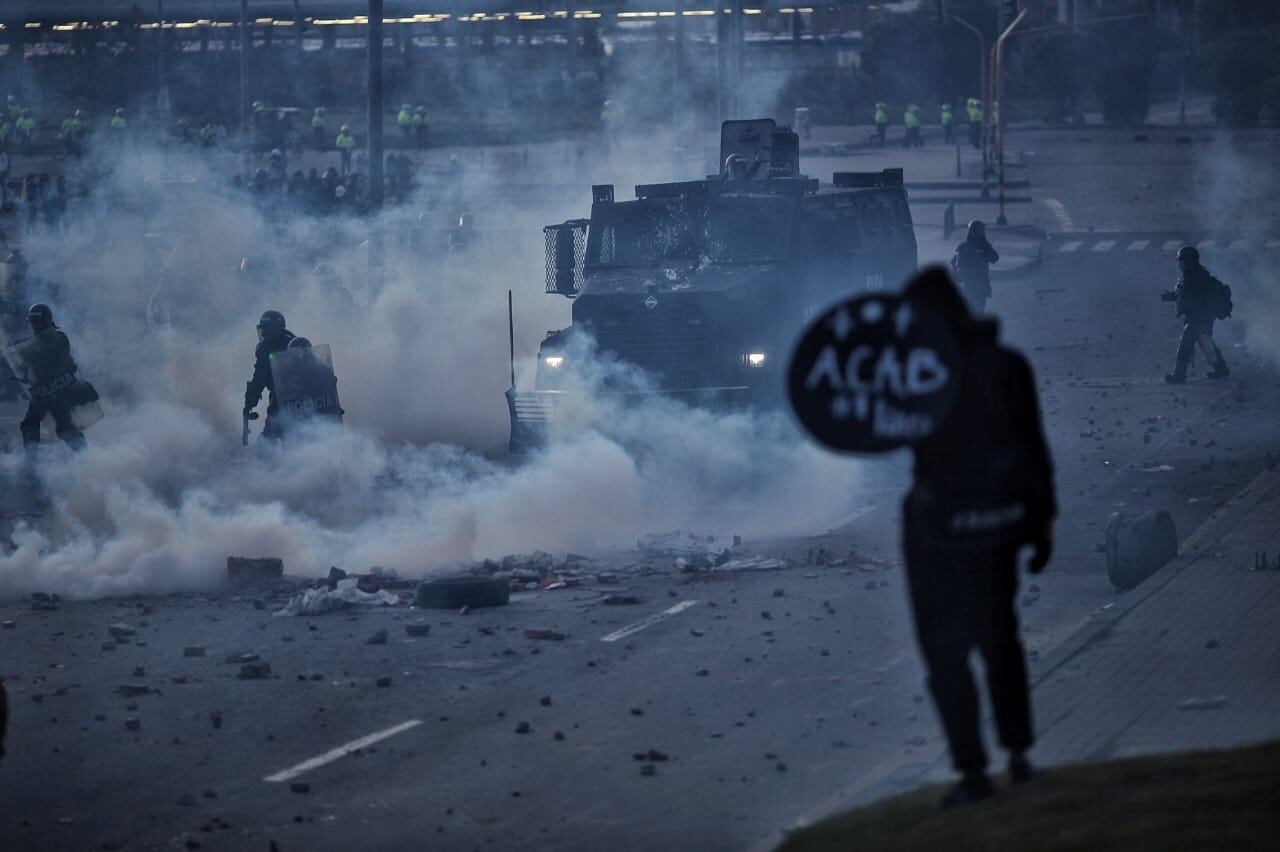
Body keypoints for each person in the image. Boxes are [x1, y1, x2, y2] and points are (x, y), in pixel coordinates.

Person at [900, 267, 1056, 808]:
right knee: (1000, 644)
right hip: (998, 525)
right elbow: (1034, 449)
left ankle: (972, 772)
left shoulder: (921, 373)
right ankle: (1019, 756)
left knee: (947, 657)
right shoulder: (1007, 365)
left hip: (938, 532)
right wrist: (1041, 522)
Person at [12, 304, 88, 460]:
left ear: (46, 321)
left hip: (56, 390)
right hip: (44, 391)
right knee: (54, 426)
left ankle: (85, 457)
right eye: (33, 322)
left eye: (37, 322)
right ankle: (85, 456)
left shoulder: (55, 339)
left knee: (56, 427)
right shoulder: (43, 340)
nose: (34, 325)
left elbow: (67, 365)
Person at [1162, 245, 1230, 383]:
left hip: (1200, 317)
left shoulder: (1195, 277)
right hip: (1201, 317)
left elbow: (1190, 296)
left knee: (1186, 344)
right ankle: (1220, 368)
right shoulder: (1195, 275)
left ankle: (1179, 375)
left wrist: (1175, 298)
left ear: (1187, 261)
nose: (1179, 264)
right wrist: (1171, 296)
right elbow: (1184, 295)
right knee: (1206, 343)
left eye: (1181, 261)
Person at [243, 309, 296, 441]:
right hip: (285, 395)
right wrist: (250, 401)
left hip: (284, 398)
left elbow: (259, 379)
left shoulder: (292, 344)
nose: (264, 333)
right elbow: (259, 378)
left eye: (267, 329)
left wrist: (250, 403)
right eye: (263, 329)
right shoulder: (293, 342)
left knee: (267, 442)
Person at [950, 220, 999, 314]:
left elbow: (994, 258)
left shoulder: (978, 247)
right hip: (974, 286)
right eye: (981, 231)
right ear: (974, 232)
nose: (982, 233)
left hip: (975, 286)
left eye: (982, 231)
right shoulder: (976, 247)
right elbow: (955, 264)